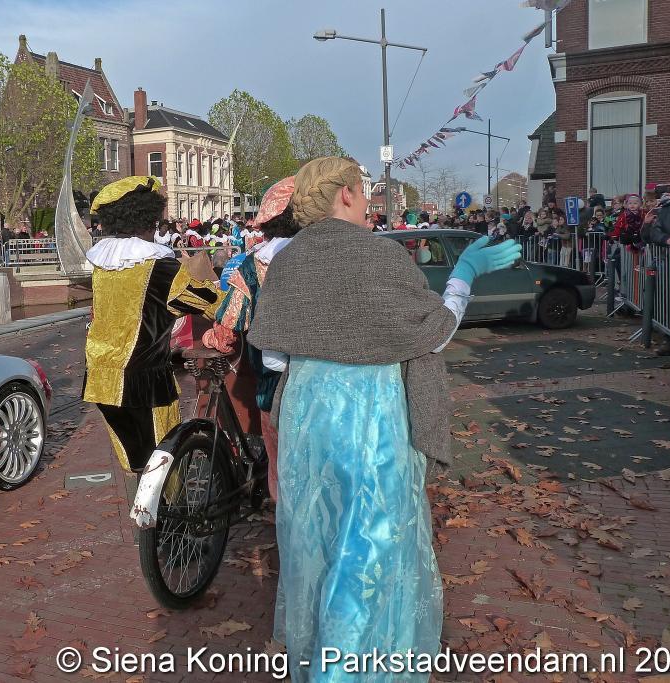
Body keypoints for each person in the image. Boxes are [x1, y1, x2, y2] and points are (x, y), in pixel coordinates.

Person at [248, 157, 521, 682]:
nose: (368, 203)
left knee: (315, 541)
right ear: (346, 194)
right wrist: (464, 274)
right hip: (370, 414)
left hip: (306, 415)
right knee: (371, 543)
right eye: (364, 191)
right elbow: (435, 333)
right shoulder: (381, 255)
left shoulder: (286, 260)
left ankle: (321, 659)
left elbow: (276, 359)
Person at [83, 176, 224, 473]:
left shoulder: (103, 265)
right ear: (149, 219)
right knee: (164, 466)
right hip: (144, 382)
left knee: (136, 461)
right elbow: (212, 303)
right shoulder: (160, 268)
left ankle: (143, 500)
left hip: (101, 380)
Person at [202, 176, 298, 503]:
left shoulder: (254, 263)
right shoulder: (323, 256)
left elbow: (229, 324)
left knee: (280, 459)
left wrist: (215, 338)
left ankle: (285, 517)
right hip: (325, 374)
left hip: (273, 376)